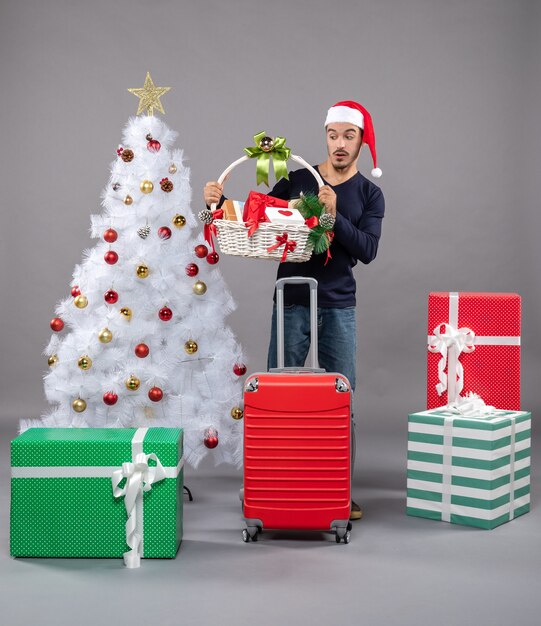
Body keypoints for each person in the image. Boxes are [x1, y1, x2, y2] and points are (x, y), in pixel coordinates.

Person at [203, 100, 385, 521]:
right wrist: (218, 203)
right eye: (333, 135)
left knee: (341, 401)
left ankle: (338, 489)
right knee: (278, 397)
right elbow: (257, 220)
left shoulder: (370, 193)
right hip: (291, 301)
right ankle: (271, 485)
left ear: (362, 142)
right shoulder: (300, 178)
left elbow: (369, 250)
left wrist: (334, 215)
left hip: (339, 305)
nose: (339, 145)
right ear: (326, 135)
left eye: (349, 136)